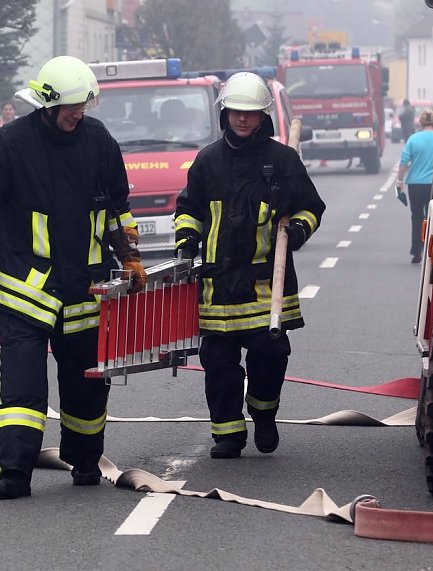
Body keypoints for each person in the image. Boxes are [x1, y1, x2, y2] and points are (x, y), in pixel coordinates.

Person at [0, 55, 147, 499]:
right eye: (71, 106)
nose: (79, 113)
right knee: (21, 388)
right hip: (25, 294)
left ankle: (85, 460)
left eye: (83, 105)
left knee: (86, 386)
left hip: (86, 292)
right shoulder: (10, 145)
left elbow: (118, 207)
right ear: (47, 104)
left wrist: (129, 255)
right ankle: (14, 473)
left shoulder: (99, 141)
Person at [173, 72, 326, 459]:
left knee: (270, 356)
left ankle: (264, 413)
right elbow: (188, 208)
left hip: (264, 287)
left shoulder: (283, 161)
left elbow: (312, 207)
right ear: (226, 114)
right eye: (236, 112)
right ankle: (228, 434)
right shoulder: (207, 161)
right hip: (218, 285)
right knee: (218, 363)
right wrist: (186, 241)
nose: (242, 119)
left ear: (263, 117)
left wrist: (297, 231)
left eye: (251, 113)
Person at [396, 109, 433, 264]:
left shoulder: (413, 139)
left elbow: (404, 162)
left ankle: (416, 251)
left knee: (416, 217)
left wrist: (399, 181)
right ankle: (432, 250)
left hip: (415, 184)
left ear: (420, 122)